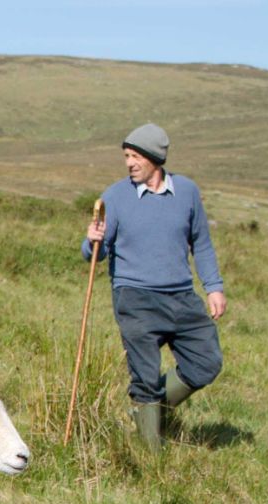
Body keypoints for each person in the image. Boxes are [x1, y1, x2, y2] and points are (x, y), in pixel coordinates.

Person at [83, 123, 227, 450]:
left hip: (181, 297)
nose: (129, 163)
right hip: (134, 298)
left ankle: (148, 415)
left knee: (207, 362)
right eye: (126, 156)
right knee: (145, 379)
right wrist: (92, 241)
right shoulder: (115, 196)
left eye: (135, 156)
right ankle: (151, 463)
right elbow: (97, 251)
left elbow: (201, 243)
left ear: (154, 159)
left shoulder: (187, 192)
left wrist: (214, 286)